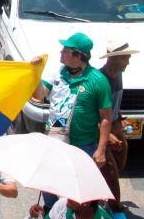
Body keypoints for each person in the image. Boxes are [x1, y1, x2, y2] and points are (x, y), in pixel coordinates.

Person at [33, 32, 113, 212]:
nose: (61, 52)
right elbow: (39, 96)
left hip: (83, 145)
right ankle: (51, 212)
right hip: (56, 137)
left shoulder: (98, 81)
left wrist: (100, 150)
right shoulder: (59, 73)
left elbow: (106, 118)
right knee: (50, 184)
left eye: (65, 50)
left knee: (77, 192)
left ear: (77, 55)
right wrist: (35, 74)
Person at [98, 38, 137, 219]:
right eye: (125, 59)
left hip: (116, 125)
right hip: (103, 130)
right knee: (111, 169)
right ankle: (116, 208)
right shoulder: (100, 80)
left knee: (120, 162)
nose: (128, 63)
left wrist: (120, 119)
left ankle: (100, 195)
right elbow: (93, 113)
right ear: (113, 58)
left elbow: (113, 103)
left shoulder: (119, 74)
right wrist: (107, 136)